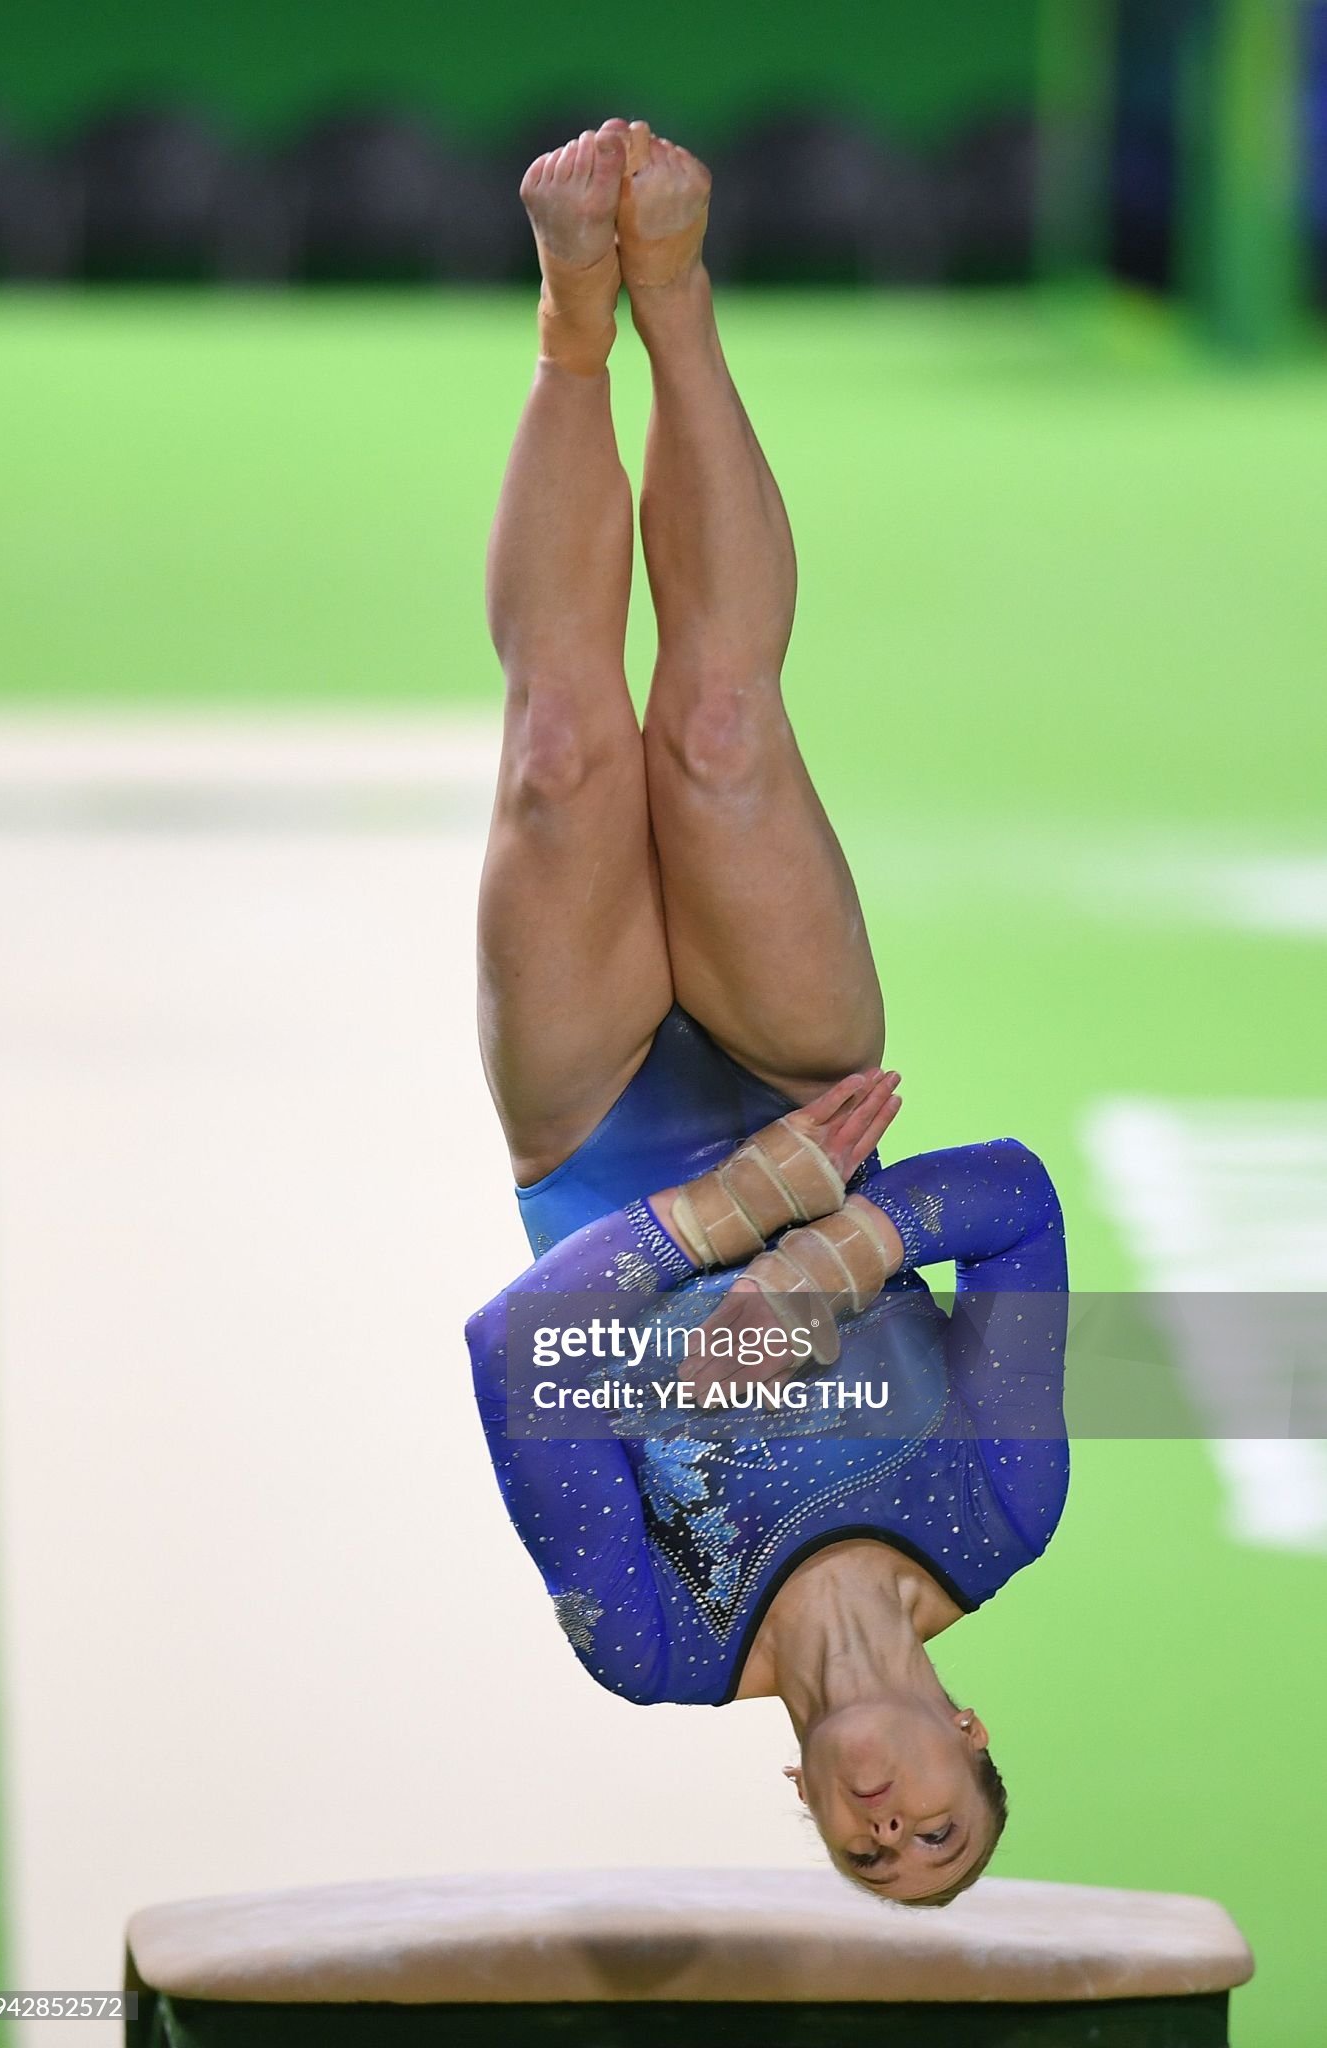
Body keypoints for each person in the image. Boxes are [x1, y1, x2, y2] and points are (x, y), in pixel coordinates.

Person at [471, 120, 1068, 1906]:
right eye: (938, 1833)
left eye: (866, 1857)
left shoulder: (658, 1646)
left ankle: (572, 327)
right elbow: (1014, 1199)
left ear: (804, 1808)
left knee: (563, 752)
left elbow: (516, 1353)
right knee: (720, 735)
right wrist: (829, 1256)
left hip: (600, 1158)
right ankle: (676, 293)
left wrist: (727, 1219)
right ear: (968, 1737)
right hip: (805, 1091)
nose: (890, 1825)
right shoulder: (1005, 1509)